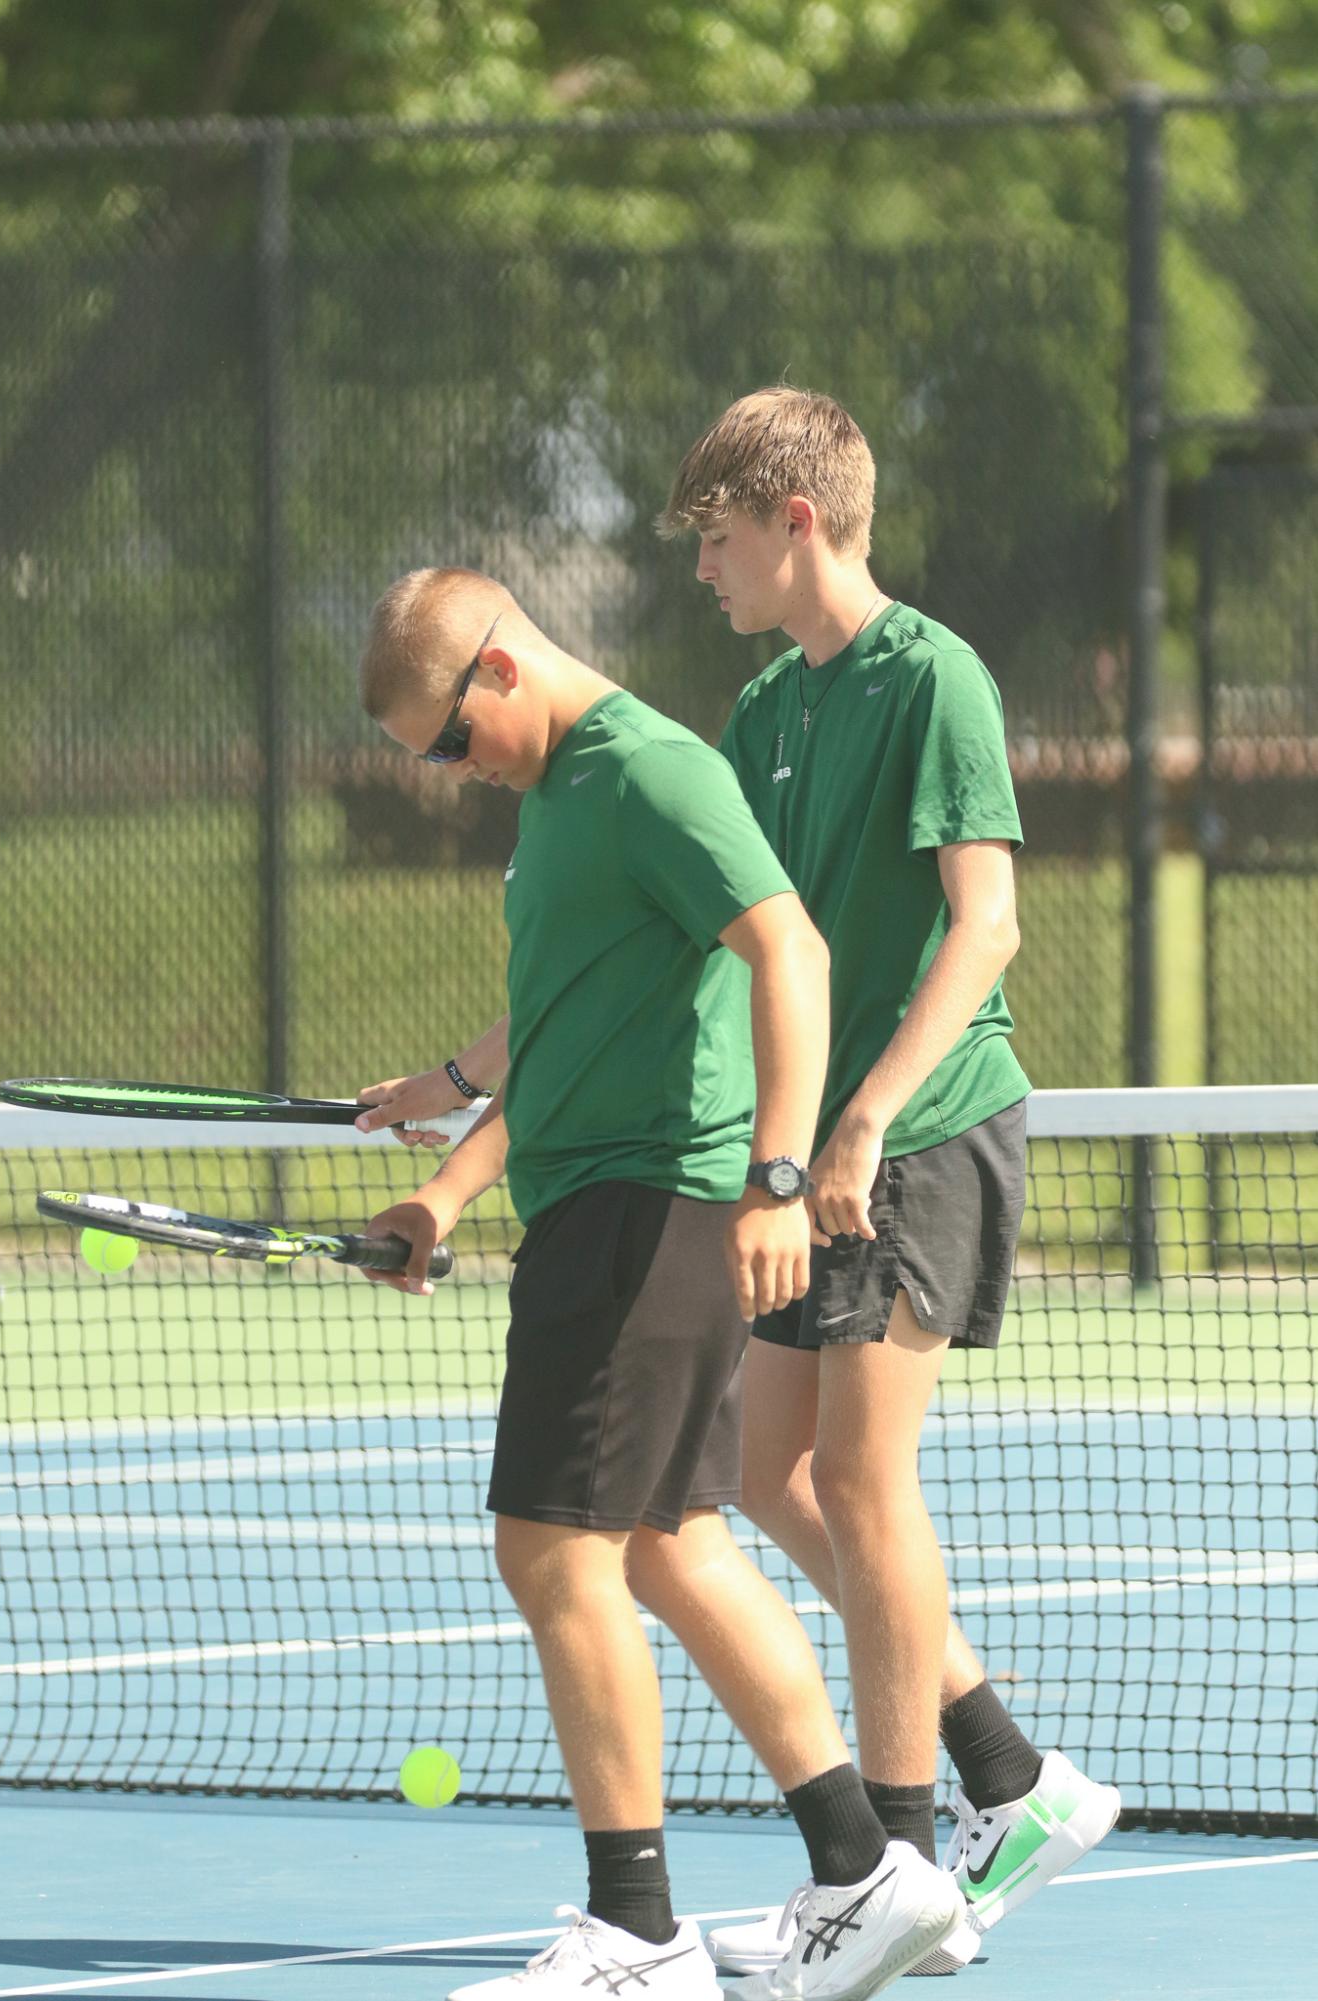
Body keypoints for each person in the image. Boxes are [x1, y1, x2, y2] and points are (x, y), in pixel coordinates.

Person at [354, 565, 964, 2001]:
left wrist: (774, 1174)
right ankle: (869, 1869)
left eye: (448, 742)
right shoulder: (564, 804)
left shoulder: (647, 770)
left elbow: (788, 947)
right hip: (600, 1203)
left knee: (551, 1549)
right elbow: (569, 1033)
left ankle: (635, 1933)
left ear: (497, 670)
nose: (452, 774)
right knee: (667, 1540)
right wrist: (441, 1192)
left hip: (649, 1210)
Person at [652, 386, 1120, 1977]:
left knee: (855, 1478)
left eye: (714, 542)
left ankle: (897, 1866)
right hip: (813, 1154)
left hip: (919, 1132)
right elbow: (729, 949)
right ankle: (1010, 1778)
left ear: (796, 524)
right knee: (759, 1474)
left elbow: (984, 925)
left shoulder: (937, 680)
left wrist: (860, 1121)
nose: (699, 574)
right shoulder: (762, 711)